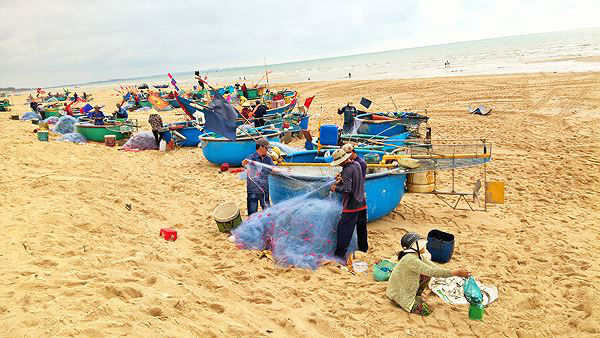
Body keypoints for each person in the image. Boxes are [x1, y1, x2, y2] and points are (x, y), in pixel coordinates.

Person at [386, 232, 471, 316]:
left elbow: (434, 268)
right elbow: (433, 271)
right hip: (399, 295)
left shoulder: (417, 255)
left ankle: (416, 295)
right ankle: (403, 301)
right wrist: (456, 272)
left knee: (426, 274)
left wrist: (455, 273)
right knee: (426, 311)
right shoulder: (411, 260)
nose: (424, 246)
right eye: (421, 244)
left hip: (402, 288)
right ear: (415, 248)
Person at [329, 148, 366, 267]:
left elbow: (347, 189)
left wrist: (335, 188)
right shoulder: (357, 164)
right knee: (361, 228)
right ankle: (363, 249)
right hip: (362, 202)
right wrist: (341, 179)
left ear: (341, 161)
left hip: (352, 205)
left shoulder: (346, 170)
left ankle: (339, 256)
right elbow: (353, 180)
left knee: (344, 230)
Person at [342, 143, 368, 252]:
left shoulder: (360, 164)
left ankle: (362, 248)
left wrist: (339, 187)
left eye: (347, 154)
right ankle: (362, 247)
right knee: (359, 225)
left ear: (353, 152)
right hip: (360, 199)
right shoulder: (354, 164)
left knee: (357, 225)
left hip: (356, 200)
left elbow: (355, 183)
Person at [242, 138, 274, 216]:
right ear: (261, 147)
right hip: (253, 190)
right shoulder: (251, 157)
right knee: (252, 212)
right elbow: (244, 163)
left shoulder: (268, 159)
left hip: (264, 189)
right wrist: (244, 163)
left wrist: (284, 171)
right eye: (266, 148)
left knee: (267, 211)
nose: (267, 150)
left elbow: (273, 169)